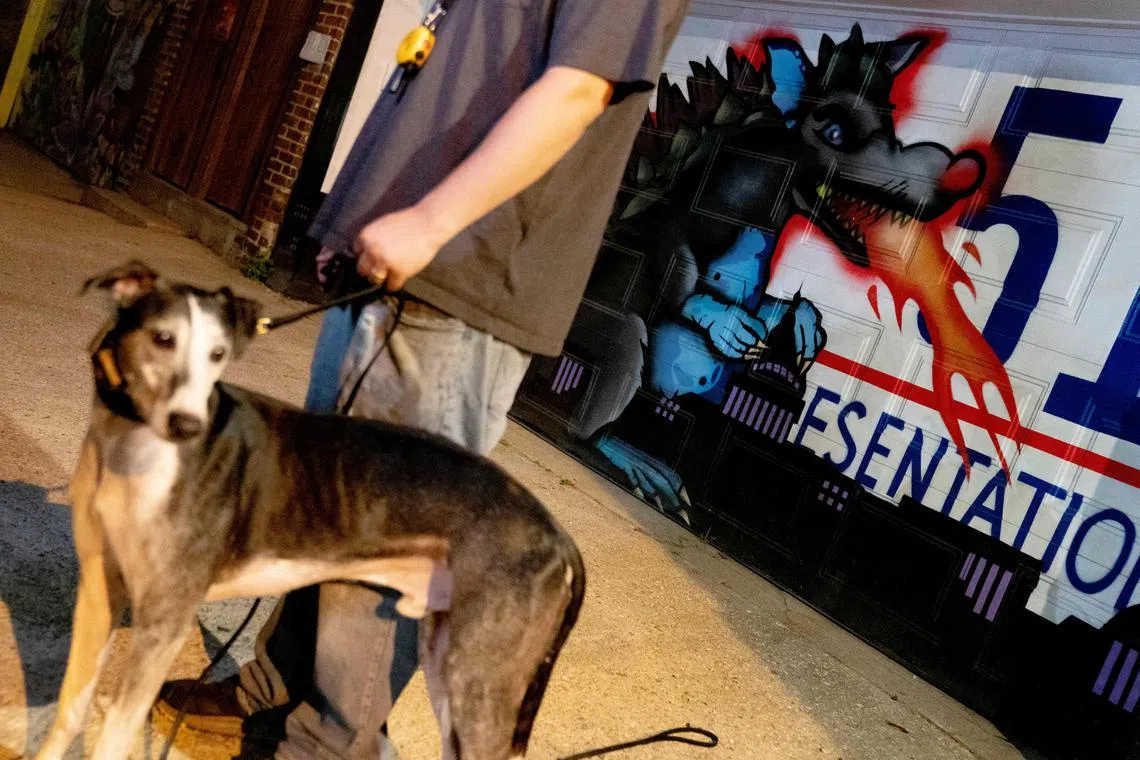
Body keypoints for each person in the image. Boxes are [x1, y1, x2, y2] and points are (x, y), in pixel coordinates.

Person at [155, 0, 689, 757]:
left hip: (462, 274)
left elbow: (578, 87)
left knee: (386, 556)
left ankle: (326, 744)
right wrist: (350, 218)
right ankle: (269, 695)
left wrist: (432, 221)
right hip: (393, 273)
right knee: (319, 513)